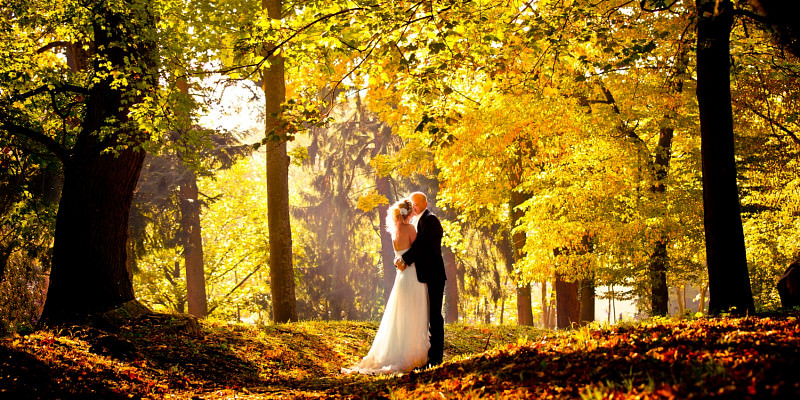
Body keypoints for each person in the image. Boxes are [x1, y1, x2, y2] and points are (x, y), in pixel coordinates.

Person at [342, 198, 430, 374]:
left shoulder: (395, 232)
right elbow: (418, 251)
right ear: (408, 213)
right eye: (412, 211)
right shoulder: (411, 229)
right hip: (412, 274)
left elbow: (400, 254)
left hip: (401, 276)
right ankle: (412, 352)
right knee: (415, 311)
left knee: (401, 313)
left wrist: (400, 261)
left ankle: (398, 349)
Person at [395, 191, 446, 367]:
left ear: (425, 203)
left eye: (416, 204)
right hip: (425, 274)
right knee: (429, 314)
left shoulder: (431, 220)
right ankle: (430, 356)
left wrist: (405, 259)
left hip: (434, 274)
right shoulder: (419, 220)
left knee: (435, 316)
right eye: (412, 204)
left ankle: (436, 357)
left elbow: (422, 245)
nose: (414, 207)